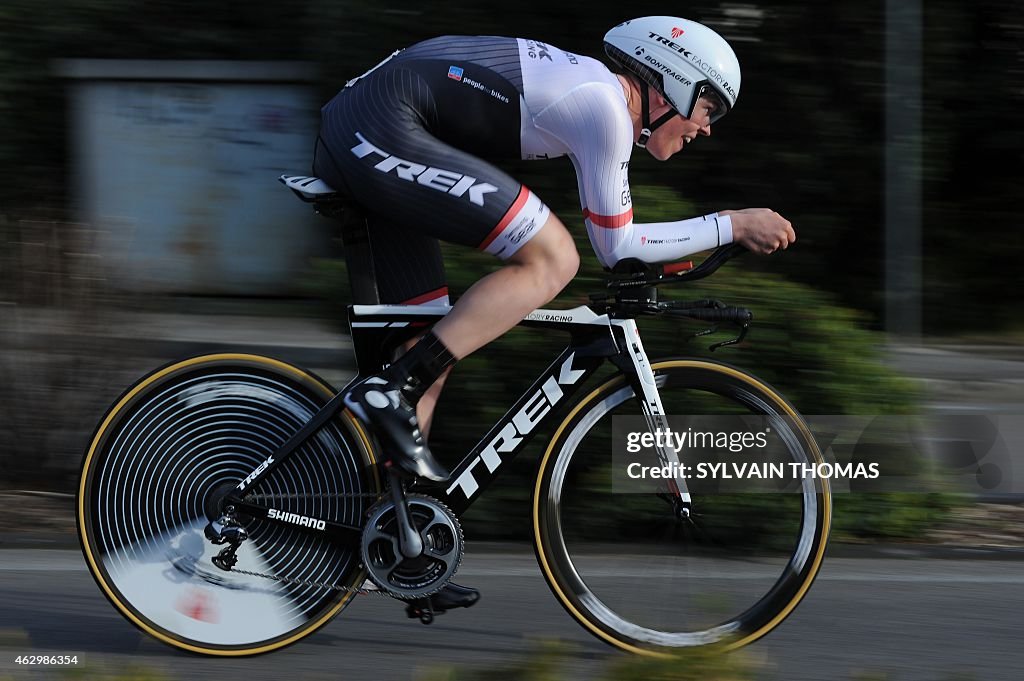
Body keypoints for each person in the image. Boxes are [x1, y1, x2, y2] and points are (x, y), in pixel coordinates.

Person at [312, 16, 795, 617]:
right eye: (708, 106)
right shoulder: (605, 110)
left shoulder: (596, 104)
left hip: (374, 119)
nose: (706, 127)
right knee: (552, 258)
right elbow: (616, 247)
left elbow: (623, 243)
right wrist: (733, 223)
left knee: (431, 346)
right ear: (671, 81)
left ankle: (398, 543)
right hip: (382, 122)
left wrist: (690, 246)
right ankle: (391, 393)